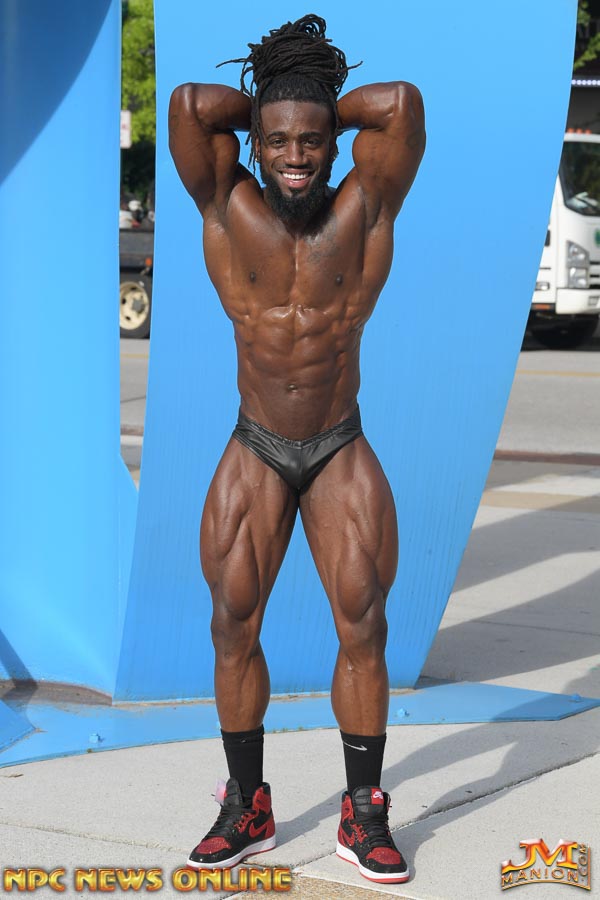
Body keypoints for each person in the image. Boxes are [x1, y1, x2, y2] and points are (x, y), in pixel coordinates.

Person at [168, 14, 425, 885]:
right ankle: (247, 805)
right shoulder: (225, 204)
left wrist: (313, 102)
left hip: (338, 446)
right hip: (256, 445)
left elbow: (400, 104)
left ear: (334, 144)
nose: (295, 156)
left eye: (312, 141)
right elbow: (189, 104)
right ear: (254, 142)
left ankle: (363, 813)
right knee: (232, 621)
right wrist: (277, 103)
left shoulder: (366, 207)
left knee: (365, 622)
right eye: (277, 141)